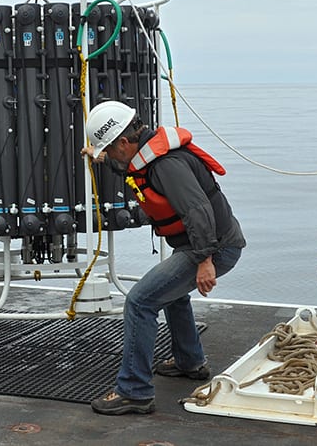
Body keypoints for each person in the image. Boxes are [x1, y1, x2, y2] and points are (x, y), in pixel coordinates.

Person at [81, 101, 245, 416]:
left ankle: (134, 391)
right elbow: (127, 164)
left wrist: (204, 260)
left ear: (124, 142)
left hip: (213, 246)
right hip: (208, 243)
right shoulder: (145, 153)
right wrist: (99, 156)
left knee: (141, 301)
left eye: (111, 150)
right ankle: (189, 361)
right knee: (171, 292)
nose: (113, 156)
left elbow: (197, 211)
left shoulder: (167, 165)